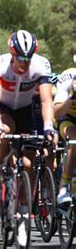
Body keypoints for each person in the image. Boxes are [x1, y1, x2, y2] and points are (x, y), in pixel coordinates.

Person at [0, 30, 54, 246]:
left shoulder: (40, 65)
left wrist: (48, 127)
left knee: (28, 163)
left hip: (26, 111)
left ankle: (24, 217)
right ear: (12, 53)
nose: (24, 63)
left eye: (28, 58)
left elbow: (45, 101)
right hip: (5, 109)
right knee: (5, 131)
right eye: (20, 58)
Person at [54, 59, 76, 205]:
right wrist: (72, 96)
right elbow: (57, 112)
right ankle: (64, 186)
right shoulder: (68, 78)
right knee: (75, 140)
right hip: (66, 118)